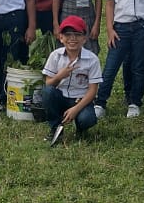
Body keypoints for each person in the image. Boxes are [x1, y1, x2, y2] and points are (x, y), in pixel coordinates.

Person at [41, 14, 102, 146]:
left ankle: (81, 129)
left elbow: (92, 91)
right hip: (60, 96)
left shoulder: (92, 59)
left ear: (84, 38)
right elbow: (48, 84)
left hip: (80, 99)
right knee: (47, 92)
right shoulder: (55, 56)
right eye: (68, 35)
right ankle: (55, 128)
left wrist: (76, 108)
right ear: (61, 38)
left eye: (77, 34)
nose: (72, 39)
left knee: (87, 119)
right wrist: (59, 76)